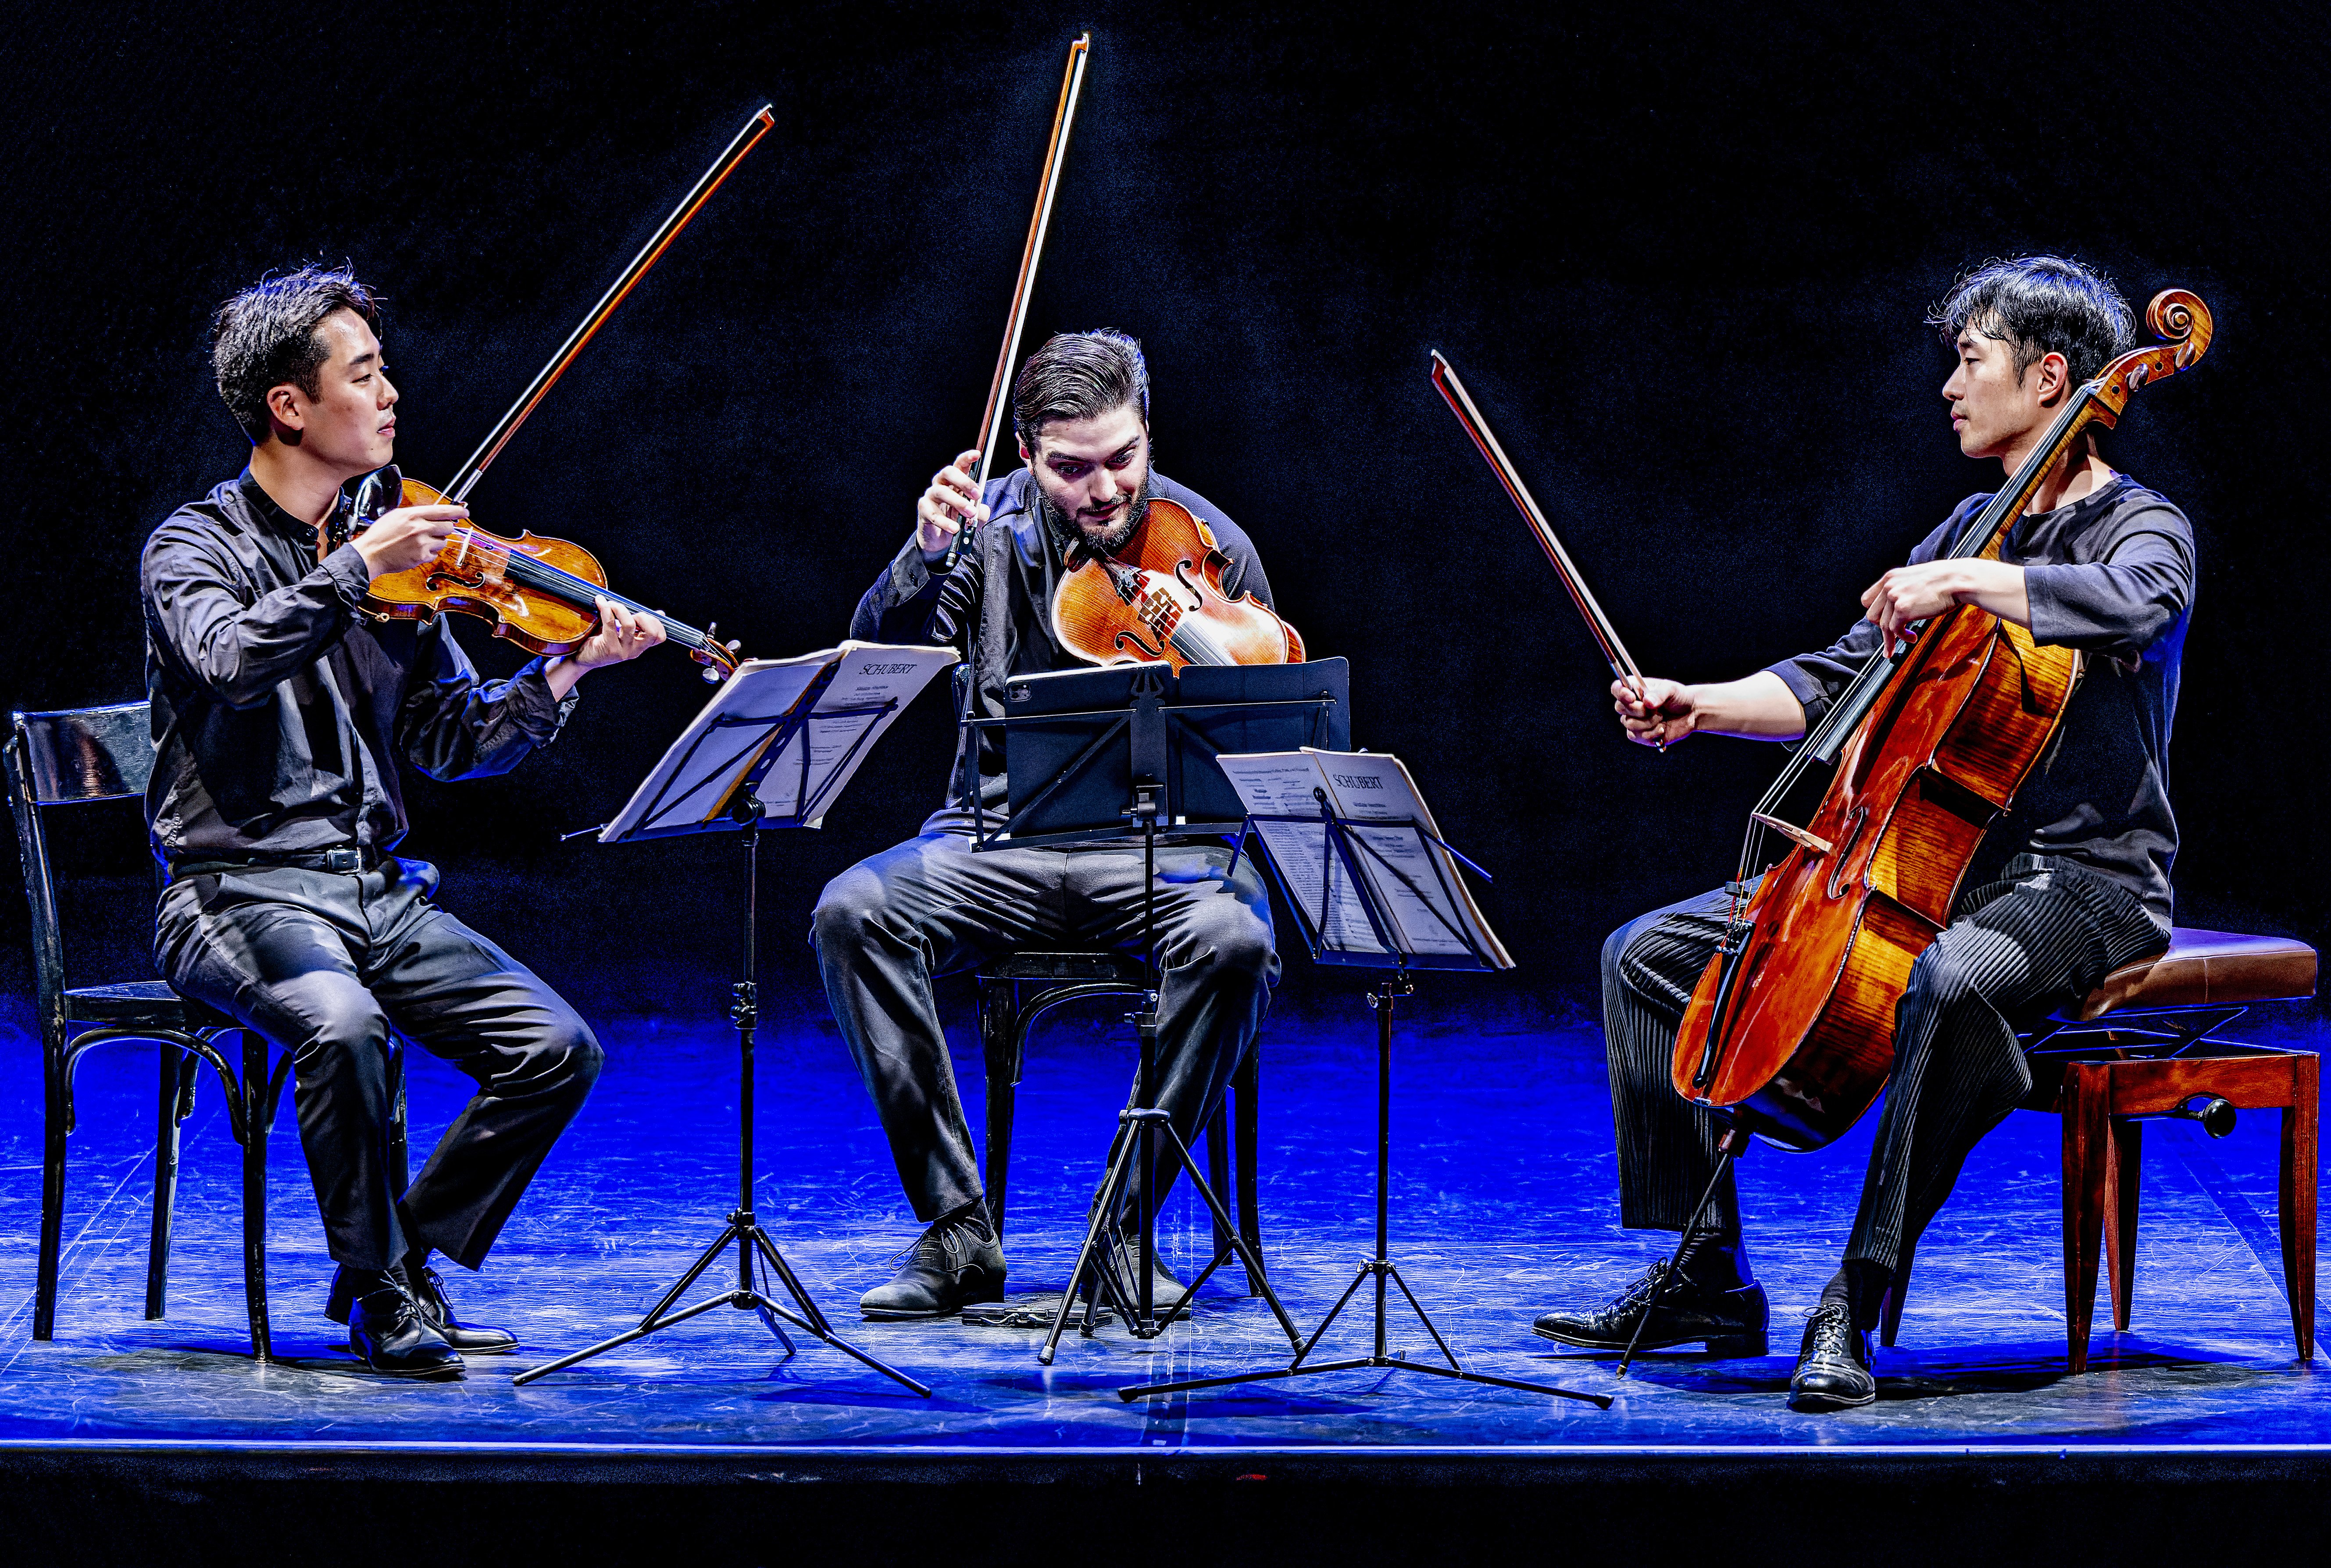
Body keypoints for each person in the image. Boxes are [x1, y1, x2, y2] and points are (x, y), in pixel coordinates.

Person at [1528, 257, 2193, 1411]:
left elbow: (2137, 604)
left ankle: (1857, 1290)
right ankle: (1705, 1275)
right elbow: (1842, 681)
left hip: (2080, 884)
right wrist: (1699, 702)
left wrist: (1962, 581)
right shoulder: (1967, 526)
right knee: (1644, 958)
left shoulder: (2138, 526)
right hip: (1914, 868)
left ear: (2049, 378)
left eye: (1969, 359)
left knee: (1948, 980)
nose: (1947, 385)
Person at [143, 265, 666, 1377]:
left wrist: (564, 674)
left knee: (557, 1052)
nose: (391, 397)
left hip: (373, 889)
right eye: (365, 375)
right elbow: (231, 663)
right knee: (342, 1027)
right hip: (232, 895)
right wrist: (348, 571)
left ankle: (397, 1261)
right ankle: (385, 1294)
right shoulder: (192, 550)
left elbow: (448, 742)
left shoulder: (405, 565)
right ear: (290, 406)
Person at [814, 330, 1282, 1319]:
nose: (1105, 491)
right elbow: (880, 671)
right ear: (1026, 454)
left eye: (1123, 459)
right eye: (1072, 469)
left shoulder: (1212, 546)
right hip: (994, 838)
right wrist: (921, 557)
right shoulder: (981, 535)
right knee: (853, 911)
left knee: (1237, 939)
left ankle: (1122, 1232)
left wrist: (1198, 644)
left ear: (1146, 436)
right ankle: (956, 1232)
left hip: (1169, 853)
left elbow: (1272, 730)